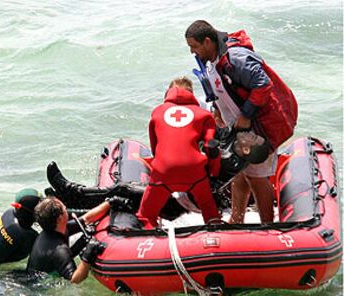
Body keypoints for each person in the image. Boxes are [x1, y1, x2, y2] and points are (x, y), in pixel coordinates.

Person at [185, 20, 298, 223]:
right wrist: (218, 111)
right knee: (239, 174)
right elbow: (222, 89)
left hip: (260, 127)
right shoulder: (212, 60)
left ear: (208, 42)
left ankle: (267, 225)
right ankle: (237, 219)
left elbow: (263, 85)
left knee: (256, 177)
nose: (193, 52)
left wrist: (245, 115)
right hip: (238, 127)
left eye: (194, 47)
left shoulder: (236, 59)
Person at [135, 77, 221, 228]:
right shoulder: (203, 114)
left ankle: (151, 244)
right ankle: (216, 239)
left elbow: (155, 148)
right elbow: (211, 146)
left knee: (146, 216)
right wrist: (213, 172)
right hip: (195, 173)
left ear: (167, 93)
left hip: (163, 172)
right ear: (191, 94)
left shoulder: (157, 113)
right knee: (210, 212)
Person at [27, 195, 127, 283]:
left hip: (36, 271)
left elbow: (87, 219)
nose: (67, 209)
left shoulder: (54, 228)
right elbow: (74, 279)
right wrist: (88, 255)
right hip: (35, 286)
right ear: (60, 219)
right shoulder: (59, 250)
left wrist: (110, 202)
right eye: (65, 208)